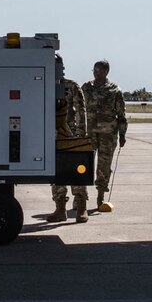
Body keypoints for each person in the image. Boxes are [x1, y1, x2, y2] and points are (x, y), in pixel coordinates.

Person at [43, 55, 89, 223]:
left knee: (76, 171)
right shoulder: (42, 83)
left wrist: (81, 136)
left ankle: (81, 208)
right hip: (51, 135)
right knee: (56, 173)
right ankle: (60, 208)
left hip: (70, 135)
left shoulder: (71, 86)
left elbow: (81, 112)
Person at [81, 59, 127, 213]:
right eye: (94, 70)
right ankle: (80, 197)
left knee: (104, 166)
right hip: (89, 134)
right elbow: (78, 109)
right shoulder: (86, 88)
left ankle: (100, 196)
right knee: (83, 165)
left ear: (106, 71)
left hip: (108, 135)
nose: (96, 73)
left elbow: (121, 114)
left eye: (99, 70)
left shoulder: (114, 90)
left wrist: (122, 134)